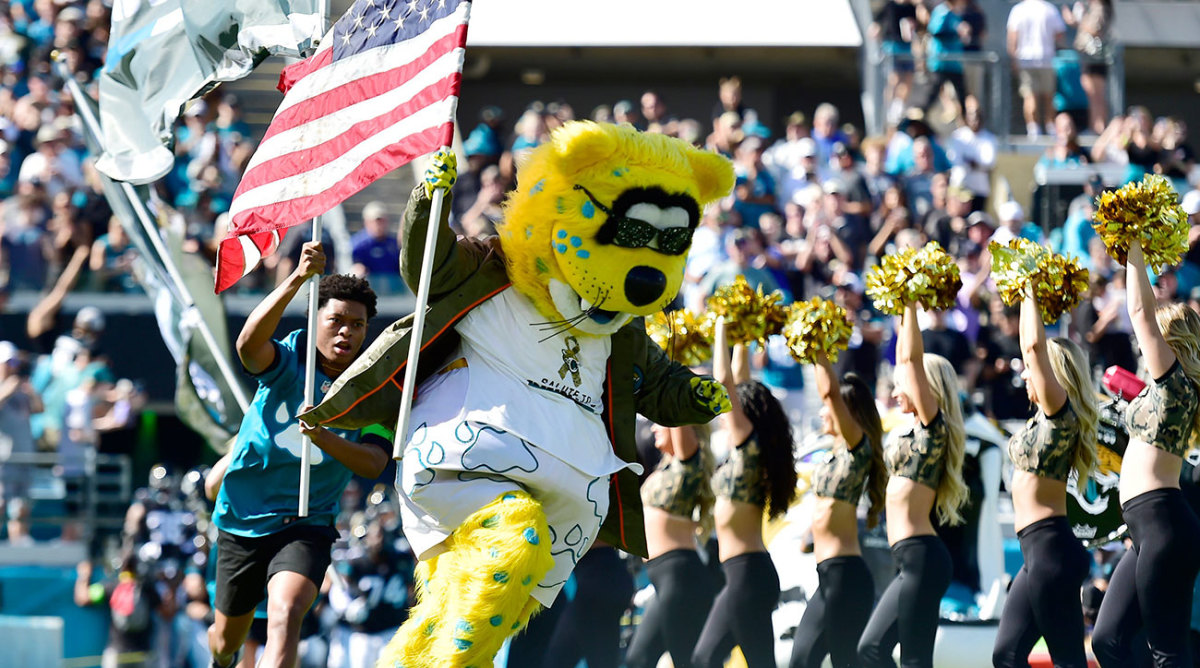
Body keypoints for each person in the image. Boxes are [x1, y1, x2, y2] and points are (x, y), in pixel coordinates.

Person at [207, 242, 388, 668]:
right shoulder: (290, 357)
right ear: (315, 320)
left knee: (287, 613)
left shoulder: (376, 389)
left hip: (307, 520)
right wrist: (297, 279)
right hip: (244, 517)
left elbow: (373, 462)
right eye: (336, 321)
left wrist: (322, 436)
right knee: (226, 639)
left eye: (357, 325)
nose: (346, 331)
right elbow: (249, 346)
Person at [1092, 241, 1200, 667]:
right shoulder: (1164, 390)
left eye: (1154, 338)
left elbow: (1139, 313)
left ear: (1171, 342)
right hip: (1147, 529)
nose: (1142, 347)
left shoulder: (1177, 386)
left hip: (1164, 525)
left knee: (1166, 653)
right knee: (1107, 639)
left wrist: (1134, 246)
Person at [992, 289, 1098, 668]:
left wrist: (1028, 292)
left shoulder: (1061, 416)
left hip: (1051, 549)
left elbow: (1034, 348)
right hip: (1036, 551)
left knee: (1068, 661)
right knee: (1006, 655)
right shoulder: (1042, 418)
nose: (1024, 372)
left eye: (1033, 370)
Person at [858, 303, 968, 668]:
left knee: (903, 657)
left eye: (902, 385)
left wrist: (907, 303)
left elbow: (910, 360)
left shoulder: (933, 431)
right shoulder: (917, 434)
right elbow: (906, 362)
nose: (895, 392)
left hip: (922, 557)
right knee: (880, 651)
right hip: (912, 558)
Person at [692, 318, 797, 668]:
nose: (724, 415)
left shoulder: (750, 449)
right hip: (744, 574)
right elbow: (736, 379)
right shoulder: (746, 450)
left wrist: (721, 323)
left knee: (714, 660)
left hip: (747, 574)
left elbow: (726, 383)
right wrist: (741, 336)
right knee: (717, 660)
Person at [790, 355, 887, 668]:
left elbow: (830, 393)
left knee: (845, 662)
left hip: (846, 576)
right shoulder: (832, 455)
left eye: (829, 408)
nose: (822, 411)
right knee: (803, 660)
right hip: (827, 576)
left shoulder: (857, 449)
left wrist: (817, 350)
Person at [625, 424, 717, 668]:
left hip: (681, 577)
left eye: (661, 422)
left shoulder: (687, 465)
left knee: (686, 661)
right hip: (664, 579)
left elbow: (678, 418)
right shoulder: (664, 468)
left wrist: (674, 399)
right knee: (638, 659)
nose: (654, 427)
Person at [1007, 0, 1066, 138]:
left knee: (1030, 96)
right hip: (1046, 59)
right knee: (1048, 96)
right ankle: (1049, 128)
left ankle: (1034, 129)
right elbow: (1060, 35)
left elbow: (1012, 38)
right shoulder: (1050, 9)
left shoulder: (1018, 10)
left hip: (1026, 61)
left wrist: (1014, 60)